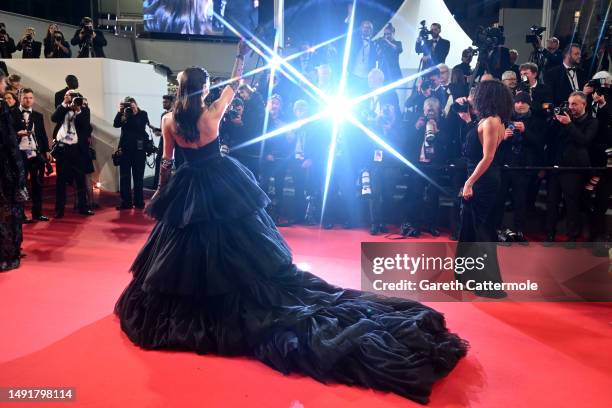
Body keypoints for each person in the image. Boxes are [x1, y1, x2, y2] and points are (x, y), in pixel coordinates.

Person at [114, 41, 467, 405]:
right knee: (239, 248)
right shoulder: (212, 114)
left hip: (186, 189)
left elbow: (168, 163)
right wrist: (242, 55)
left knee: (184, 252)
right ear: (204, 88)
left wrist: (160, 194)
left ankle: (200, 304)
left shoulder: (169, 120)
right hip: (221, 182)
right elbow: (236, 83)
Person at [455, 79, 513, 299]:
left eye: (477, 94)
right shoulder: (492, 120)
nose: (473, 98)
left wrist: (469, 182)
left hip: (483, 179)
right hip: (484, 177)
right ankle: (471, 277)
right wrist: (469, 120)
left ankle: (487, 283)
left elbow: (487, 158)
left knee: (481, 230)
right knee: (474, 227)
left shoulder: (490, 122)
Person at [544, 91, 598, 246]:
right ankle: (550, 233)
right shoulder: (564, 119)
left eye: (574, 104)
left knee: (571, 203)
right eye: (569, 103)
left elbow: (584, 140)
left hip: (574, 168)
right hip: (556, 166)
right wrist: (554, 121)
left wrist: (569, 124)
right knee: (552, 201)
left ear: (584, 104)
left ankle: (572, 236)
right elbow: (550, 139)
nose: (571, 107)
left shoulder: (592, 122)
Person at [51, 90, 95, 218]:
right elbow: (54, 118)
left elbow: (86, 126)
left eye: (74, 97)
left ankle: (83, 207)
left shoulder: (84, 110)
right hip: (63, 149)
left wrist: (78, 110)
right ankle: (59, 210)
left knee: (80, 180)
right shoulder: (63, 108)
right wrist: (65, 104)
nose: (72, 100)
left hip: (77, 149)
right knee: (61, 181)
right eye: (69, 97)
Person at [10, 89, 51, 223]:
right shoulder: (12, 113)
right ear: (19, 98)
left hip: (35, 153)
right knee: (20, 185)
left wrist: (47, 151)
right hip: (19, 153)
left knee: (37, 184)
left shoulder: (38, 116)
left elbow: (42, 135)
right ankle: (20, 215)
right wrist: (17, 134)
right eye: (25, 98)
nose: (28, 100)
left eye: (31, 98)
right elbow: (7, 134)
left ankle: (37, 213)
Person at [0, 73, 26, 271]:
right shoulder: (3, 108)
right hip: (5, 170)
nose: (4, 86)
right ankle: (10, 256)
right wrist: (20, 174)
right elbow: (10, 144)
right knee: (12, 214)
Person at [113, 97, 150, 210]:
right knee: (125, 177)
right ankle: (126, 202)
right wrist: (120, 112)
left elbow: (139, 126)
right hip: (125, 150)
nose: (130, 106)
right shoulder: (124, 114)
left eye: (132, 103)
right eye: (128, 105)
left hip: (139, 150)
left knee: (138, 177)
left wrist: (133, 113)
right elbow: (116, 124)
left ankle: (139, 202)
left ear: (136, 104)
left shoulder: (143, 114)